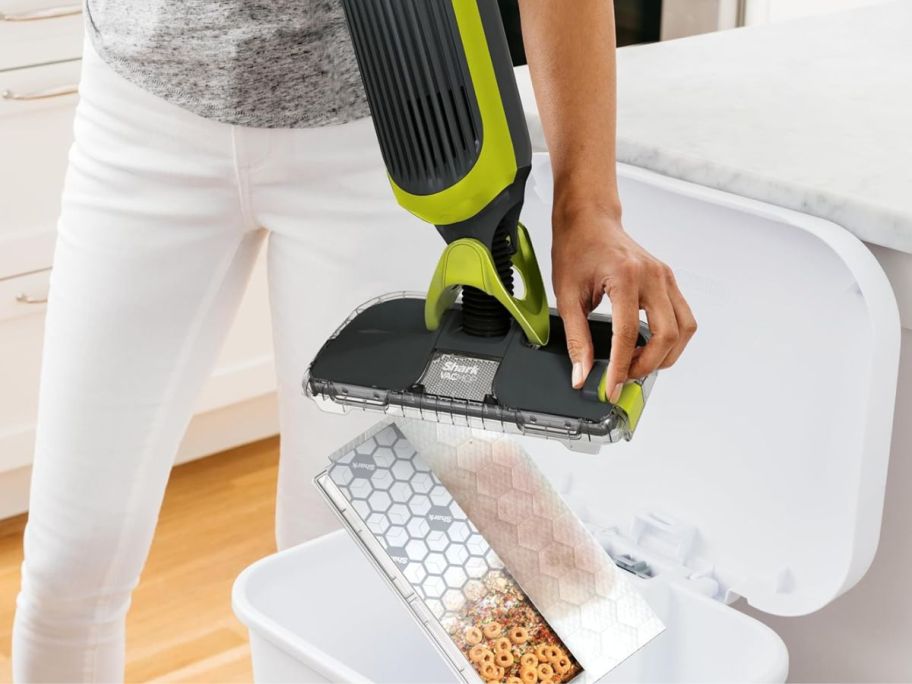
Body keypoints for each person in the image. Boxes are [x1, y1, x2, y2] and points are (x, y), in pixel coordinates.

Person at [12, 1, 697, 681]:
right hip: (143, 104)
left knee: (340, 567)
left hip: (397, 126)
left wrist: (588, 206)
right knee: (70, 564)